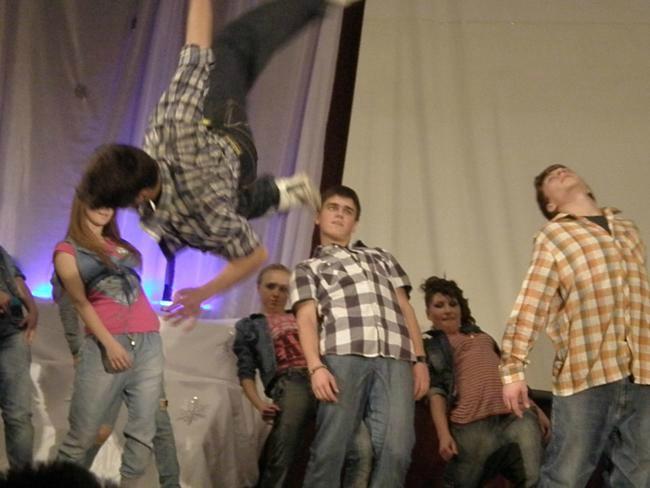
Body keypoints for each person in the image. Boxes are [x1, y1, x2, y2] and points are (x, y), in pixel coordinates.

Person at [76, 0, 360, 323]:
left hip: (230, 144)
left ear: (139, 195)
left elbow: (254, 255)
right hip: (222, 170)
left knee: (225, 211)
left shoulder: (197, 207)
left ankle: (278, 194)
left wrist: (203, 293)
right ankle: (275, 194)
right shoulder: (170, 125)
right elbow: (196, 51)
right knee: (231, 49)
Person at [500, 164, 650, 487]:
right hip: (587, 372)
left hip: (643, 372)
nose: (559, 173)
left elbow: (639, 298)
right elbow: (532, 300)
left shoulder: (628, 230)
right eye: (550, 178)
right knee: (565, 476)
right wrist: (513, 368)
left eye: (563, 170)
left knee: (638, 476)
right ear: (550, 204)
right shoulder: (554, 235)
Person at [290, 185, 430, 487]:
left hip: (395, 357)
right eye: (333, 208)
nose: (340, 214)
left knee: (398, 449)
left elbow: (405, 308)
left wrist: (420, 360)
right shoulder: (307, 268)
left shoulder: (381, 257)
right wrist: (315, 367)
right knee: (330, 448)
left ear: (355, 222)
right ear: (318, 216)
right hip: (343, 356)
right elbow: (306, 320)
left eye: (348, 211)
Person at [53, 196, 164, 487]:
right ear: (82, 204)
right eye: (97, 202)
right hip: (107, 343)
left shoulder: (121, 245)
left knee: (143, 432)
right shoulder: (67, 250)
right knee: (83, 434)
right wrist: (108, 344)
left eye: (110, 203)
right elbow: (78, 302)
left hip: (149, 341)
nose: (104, 209)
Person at [233, 263, 372, 488]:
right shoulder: (250, 325)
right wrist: (259, 403)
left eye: (283, 289)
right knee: (282, 453)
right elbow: (245, 370)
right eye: (271, 286)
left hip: (327, 375)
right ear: (258, 287)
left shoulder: (305, 316)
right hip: (291, 380)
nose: (276, 293)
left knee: (362, 449)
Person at [422, 276, 548, 487]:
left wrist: (536, 410)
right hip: (473, 424)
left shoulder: (482, 336)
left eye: (453, 304)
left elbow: (508, 376)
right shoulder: (432, 346)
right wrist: (443, 435)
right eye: (439, 305)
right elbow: (436, 392)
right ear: (428, 313)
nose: (448, 310)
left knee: (534, 479)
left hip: (514, 416)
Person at [54, 293, 180, 488]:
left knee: (160, 423)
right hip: (105, 354)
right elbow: (69, 302)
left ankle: (172, 485)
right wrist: (78, 349)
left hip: (145, 348)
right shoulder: (75, 272)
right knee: (94, 432)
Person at [0, 245, 37, 470]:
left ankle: (22, 480)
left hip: (12, 330)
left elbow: (15, 278)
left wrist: (32, 309)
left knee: (18, 414)